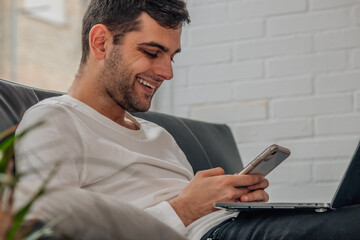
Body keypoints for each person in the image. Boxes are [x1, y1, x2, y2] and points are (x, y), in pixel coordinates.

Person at [14, 0, 360, 239]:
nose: (166, 72)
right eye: (151, 52)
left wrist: (228, 200)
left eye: (171, 56)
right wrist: (183, 209)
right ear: (101, 42)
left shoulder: (157, 134)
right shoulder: (53, 120)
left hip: (230, 227)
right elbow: (47, 232)